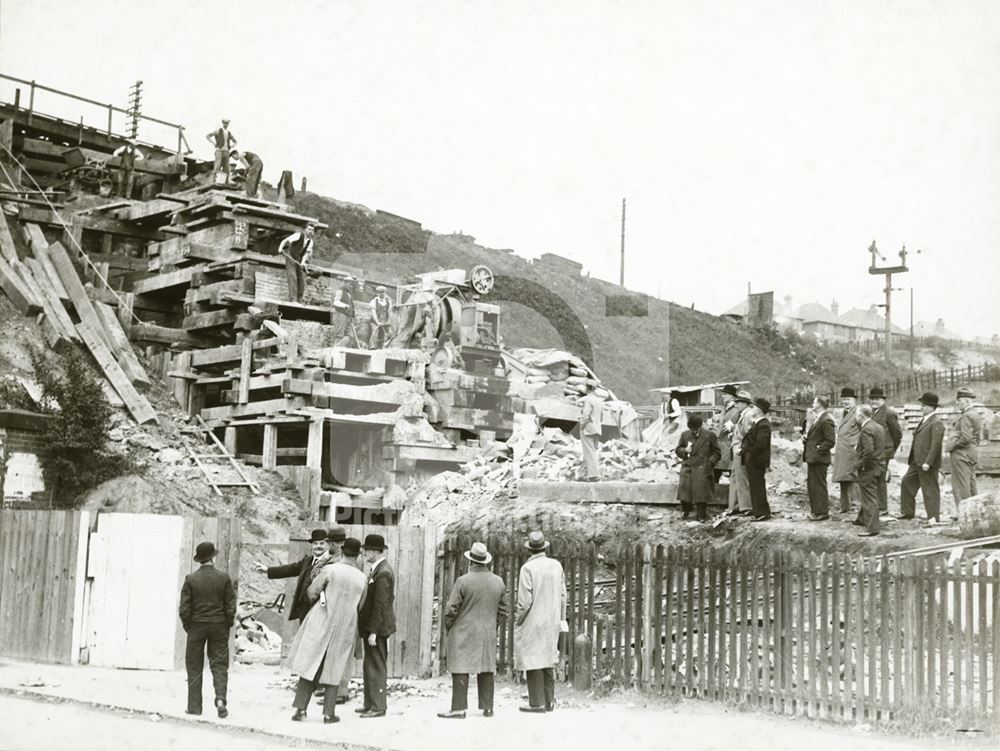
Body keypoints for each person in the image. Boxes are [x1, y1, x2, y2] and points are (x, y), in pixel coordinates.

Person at [285, 538, 368, 724]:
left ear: (342, 550)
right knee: (335, 666)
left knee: (309, 663)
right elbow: (360, 606)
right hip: (345, 626)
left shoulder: (330, 569)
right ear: (358, 555)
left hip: (321, 620)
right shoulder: (362, 578)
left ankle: (300, 710)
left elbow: (311, 592)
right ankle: (328, 714)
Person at [437, 542, 508, 719]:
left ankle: (459, 708)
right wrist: (493, 625)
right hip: (487, 631)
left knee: (460, 667)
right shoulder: (498, 581)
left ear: (470, 561)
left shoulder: (463, 581)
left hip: (463, 631)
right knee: (486, 667)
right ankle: (488, 707)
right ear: (486, 561)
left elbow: (451, 609)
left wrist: (450, 626)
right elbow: (503, 610)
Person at [179, 541, 236, 718]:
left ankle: (195, 707)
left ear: (199, 560)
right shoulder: (224, 577)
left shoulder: (191, 579)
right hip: (219, 626)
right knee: (219, 665)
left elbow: (184, 609)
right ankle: (220, 700)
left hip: (196, 626)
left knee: (194, 665)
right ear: (213, 557)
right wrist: (227, 624)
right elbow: (230, 606)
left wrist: (189, 626)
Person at [515, 531, 566, 714]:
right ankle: (549, 701)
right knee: (548, 658)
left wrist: (519, 619)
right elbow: (563, 596)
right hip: (552, 620)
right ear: (544, 547)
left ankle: (536, 703)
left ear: (529, 549)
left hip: (533, 619)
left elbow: (525, 601)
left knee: (533, 659)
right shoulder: (556, 565)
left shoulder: (527, 569)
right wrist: (561, 619)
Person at [254, 529, 331, 624]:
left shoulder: (330, 563)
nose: (318, 546)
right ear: (312, 545)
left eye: (321, 543)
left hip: (320, 610)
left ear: (327, 544)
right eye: (315, 543)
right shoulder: (308, 560)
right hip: (304, 609)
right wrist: (267, 570)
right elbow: (290, 569)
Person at [357, 534, 396, 718]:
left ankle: (378, 707)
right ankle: (370, 704)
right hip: (373, 628)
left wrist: (373, 631)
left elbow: (381, 604)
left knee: (376, 666)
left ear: (374, 551)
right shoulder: (378, 569)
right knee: (369, 665)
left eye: (366, 550)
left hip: (377, 629)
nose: (364, 553)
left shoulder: (383, 572)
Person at [899, 392, 945, 522]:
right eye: (922, 405)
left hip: (926, 463)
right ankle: (907, 513)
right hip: (916, 461)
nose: (921, 407)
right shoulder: (925, 420)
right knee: (906, 482)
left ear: (931, 407)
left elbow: (935, 445)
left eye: (924, 405)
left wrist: (928, 462)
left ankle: (933, 518)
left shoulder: (937, 422)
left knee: (930, 490)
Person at [675, 413, 721, 522]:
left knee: (701, 491)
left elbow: (717, 452)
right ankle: (685, 510)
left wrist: (709, 463)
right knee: (684, 488)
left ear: (700, 426)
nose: (694, 431)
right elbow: (677, 450)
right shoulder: (685, 435)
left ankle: (701, 514)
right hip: (688, 466)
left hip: (703, 467)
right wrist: (684, 451)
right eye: (692, 429)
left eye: (696, 429)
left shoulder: (709, 435)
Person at [946, 387, 982, 511]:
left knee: (961, 484)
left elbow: (965, 438)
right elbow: (977, 437)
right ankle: (974, 512)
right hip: (971, 452)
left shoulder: (966, 416)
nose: (957, 403)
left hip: (961, 454)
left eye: (959, 400)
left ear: (967, 401)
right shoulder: (975, 414)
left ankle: (964, 513)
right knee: (971, 484)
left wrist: (952, 445)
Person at [868, 387, 902, 514]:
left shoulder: (888, 413)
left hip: (883, 452)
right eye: (872, 399)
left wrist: (890, 450)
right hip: (873, 451)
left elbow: (897, 434)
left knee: (880, 478)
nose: (874, 402)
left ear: (883, 400)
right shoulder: (871, 412)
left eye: (877, 399)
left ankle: (882, 507)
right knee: (874, 478)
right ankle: (875, 504)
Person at [854, 404, 887, 537]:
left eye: (856, 415)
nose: (855, 417)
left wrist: (858, 464)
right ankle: (862, 519)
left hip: (869, 468)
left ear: (861, 416)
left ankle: (872, 528)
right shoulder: (878, 427)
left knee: (869, 497)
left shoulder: (866, 430)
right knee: (871, 494)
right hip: (879, 466)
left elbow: (868, 451)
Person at [804, 396, 836, 521]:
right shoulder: (819, 419)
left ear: (819, 404)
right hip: (814, 458)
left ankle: (822, 512)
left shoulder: (826, 420)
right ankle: (816, 511)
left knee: (819, 485)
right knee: (813, 485)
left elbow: (830, 441)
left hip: (819, 459)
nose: (812, 404)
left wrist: (818, 450)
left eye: (814, 402)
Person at [741, 397, 772, 521]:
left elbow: (760, 444)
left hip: (756, 460)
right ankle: (758, 512)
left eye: (753, 407)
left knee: (757, 485)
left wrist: (748, 452)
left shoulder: (763, 425)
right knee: (755, 485)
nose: (751, 409)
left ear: (759, 410)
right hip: (754, 459)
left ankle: (762, 512)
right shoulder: (759, 423)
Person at [832, 387, 862, 513]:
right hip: (841, 451)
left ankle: (856, 506)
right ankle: (845, 506)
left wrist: (857, 445)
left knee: (853, 478)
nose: (846, 401)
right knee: (842, 478)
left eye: (848, 399)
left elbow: (864, 430)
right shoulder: (841, 413)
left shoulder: (858, 413)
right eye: (844, 399)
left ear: (854, 400)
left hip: (851, 451)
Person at [728, 390, 755, 516]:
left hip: (740, 450)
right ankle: (735, 505)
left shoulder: (748, 416)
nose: (736, 405)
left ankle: (746, 507)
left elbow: (749, 435)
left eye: (738, 402)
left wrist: (741, 448)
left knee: (742, 478)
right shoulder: (743, 415)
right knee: (735, 477)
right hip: (737, 449)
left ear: (745, 403)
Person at [277, 225, 315, 304]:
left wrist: (302, 263)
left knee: (301, 279)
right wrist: (280, 248)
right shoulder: (298, 235)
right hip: (291, 256)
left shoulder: (310, 242)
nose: (310, 231)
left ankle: (299, 300)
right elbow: (285, 240)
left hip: (299, 259)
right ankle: (293, 299)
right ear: (305, 230)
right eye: (309, 229)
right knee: (292, 277)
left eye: (312, 230)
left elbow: (306, 254)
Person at [713, 384, 742, 483]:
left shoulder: (735, 411)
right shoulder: (726, 409)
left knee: (727, 472)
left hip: (727, 445)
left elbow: (725, 429)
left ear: (732, 397)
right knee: (718, 471)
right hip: (722, 446)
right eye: (723, 394)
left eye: (725, 394)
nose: (723, 396)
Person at [578, 383, 604, 482]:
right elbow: (601, 416)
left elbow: (586, 415)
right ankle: (582, 473)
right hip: (597, 429)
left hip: (588, 429)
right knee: (591, 451)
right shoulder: (599, 401)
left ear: (587, 389)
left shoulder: (588, 400)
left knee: (589, 452)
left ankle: (593, 475)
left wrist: (581, 425)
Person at [331, 277, 358, 348]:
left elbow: (351, 305)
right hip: (340, 315)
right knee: (339, 335)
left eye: (352, 285)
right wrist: (344, 305)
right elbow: (336, 302)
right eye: (350, 284)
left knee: (350, 336)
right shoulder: (340, 291)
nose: (351, 286)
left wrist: (352, 315)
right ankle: (336, 350)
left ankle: (338, 348)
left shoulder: (349, 293)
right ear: (345, 283)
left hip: (348, 317)